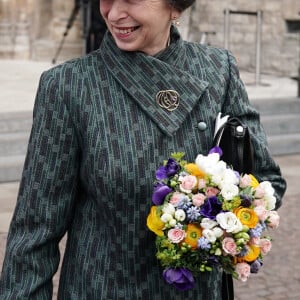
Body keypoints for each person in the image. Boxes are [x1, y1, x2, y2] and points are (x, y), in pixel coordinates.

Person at [0, 0, 286, 299]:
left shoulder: (218, 70)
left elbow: (266, 179)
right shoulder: (69, 86)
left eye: (131, 0)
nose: (113, 14)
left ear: (174, 7)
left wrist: (215, 219)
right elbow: (35, 230)